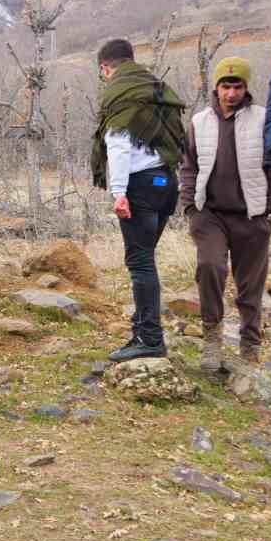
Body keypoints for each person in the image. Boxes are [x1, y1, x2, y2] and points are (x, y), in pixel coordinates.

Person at [179, 57, 271, 371]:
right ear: (216, 86)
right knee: (210, 266)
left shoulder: (264, 120)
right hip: (209, 213)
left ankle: (250, 346)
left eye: (237, 86)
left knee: (250, 285)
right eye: (225, 86)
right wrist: (189, 206)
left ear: (245, 87)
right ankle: (212, 338)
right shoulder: (199, 122)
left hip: (252, 215)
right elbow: (189, 166)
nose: (230, 93)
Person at [91, 38, 187, 362]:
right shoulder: (155, 88)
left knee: (140, 262)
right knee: (145, 259)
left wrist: (119, 193)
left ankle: (149, 338)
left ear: (106, 67)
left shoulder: (120, 93)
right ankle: (143, 329)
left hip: (140, 186)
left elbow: (118, 144)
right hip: (166, 182)